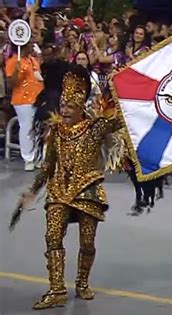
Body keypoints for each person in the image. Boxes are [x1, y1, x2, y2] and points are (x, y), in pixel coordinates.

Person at [16, 65, 124, 310]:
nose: (64, 110)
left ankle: (82, 283)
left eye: (70, 107)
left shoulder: (95, 128)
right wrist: (33, 190)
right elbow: (48, 166)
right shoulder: (56, 131)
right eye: (63, 106)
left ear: (80, 108)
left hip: (88, 190)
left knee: (87, 242)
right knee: (52, 237)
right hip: (59, 191)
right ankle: (57, 290)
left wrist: (126, 90)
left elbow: (122, 119)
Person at [5, 42, 43, 171]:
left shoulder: (33, 60)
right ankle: (28, 158)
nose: (33, 47)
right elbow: (12, 83)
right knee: (27, 128)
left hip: (38, 97)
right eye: (30, 45)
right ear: (23, 46)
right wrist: (16, 70)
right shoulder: (13, 61)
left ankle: (38, 157)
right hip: (23, 99)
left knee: (38, 128)